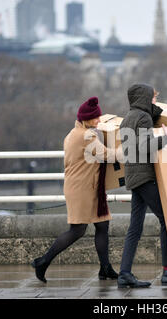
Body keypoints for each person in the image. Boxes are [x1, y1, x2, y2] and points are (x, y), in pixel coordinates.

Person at [31, 96, 122, 283]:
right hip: (82, 189)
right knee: (78, 230)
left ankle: (105, 268)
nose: (99, 120)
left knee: (102, 225)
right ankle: (43, 261)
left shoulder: (73, 133)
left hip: (88, 187)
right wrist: (128, 151)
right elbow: (107, 155)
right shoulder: (87, 135)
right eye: (96, 118)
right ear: (87, 119)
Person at [117, 83, 167, 288]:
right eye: (153, 98)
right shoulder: (142, 118)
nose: (155, 101)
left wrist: (155, 115)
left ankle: (124, 273)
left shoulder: (128, 118)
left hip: (133, 178)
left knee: (135, 227)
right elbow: (144, 147)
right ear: (144, 98)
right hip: (144, 177)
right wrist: (166, 138)